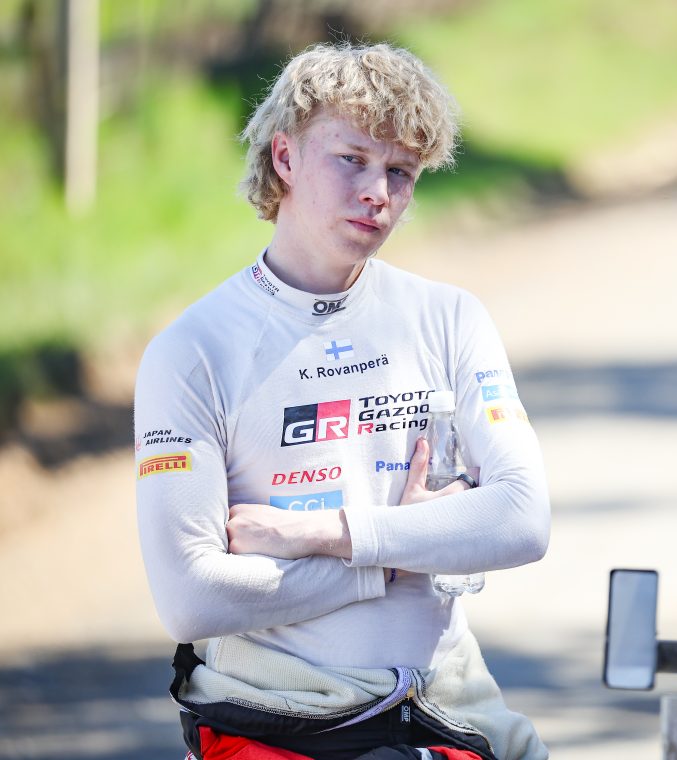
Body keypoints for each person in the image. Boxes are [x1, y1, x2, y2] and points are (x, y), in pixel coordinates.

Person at [133, 41, 550, 760]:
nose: (377, 192)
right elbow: (192, 599)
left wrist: (326, 532)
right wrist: (398, 554)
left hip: (449, 707)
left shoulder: (450, 317)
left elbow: (523, 519)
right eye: (351, 159)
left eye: (401, 172)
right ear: (285, 157)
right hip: (277, 720)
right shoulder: (191, 351)